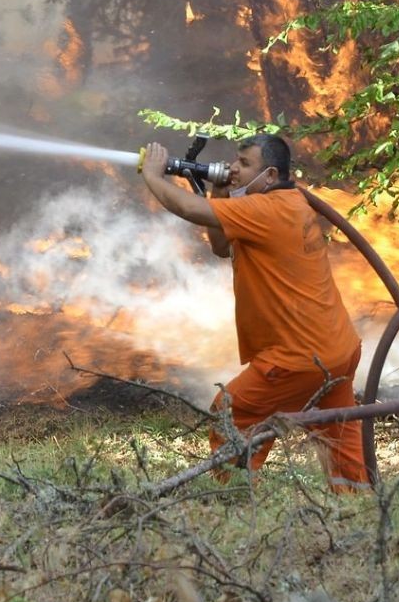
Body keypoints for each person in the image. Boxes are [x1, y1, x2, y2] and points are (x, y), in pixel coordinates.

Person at [136, 136, 367, 490]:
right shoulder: (283, 205)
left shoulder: (268, 211)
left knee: (232, 412)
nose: (232, 168)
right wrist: (219, 192)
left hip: (297, 358)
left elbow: (189, 210)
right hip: (335, 350)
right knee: (338, 435)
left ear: (270, 174)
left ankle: (237, 496)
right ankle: (357, 501)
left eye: (244, 164)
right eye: (234, 160)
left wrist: (154, 176)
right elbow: (220, 247)